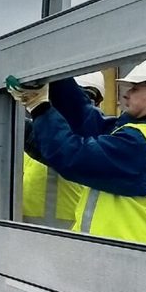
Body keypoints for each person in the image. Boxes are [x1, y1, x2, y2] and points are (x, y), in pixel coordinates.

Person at [27, 55, 146, 247]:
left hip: (130, 260)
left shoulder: (141, 145)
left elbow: (72, 156)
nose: (127, 94)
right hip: (125, 254)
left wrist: (39, 107)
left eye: (135, 88)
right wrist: (53, 75)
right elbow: (84, 119)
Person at [20, 73, 105, 229]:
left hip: (69, 233)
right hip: (24, 227)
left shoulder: (93, 135)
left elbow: (49, 146)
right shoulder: (44, 126)